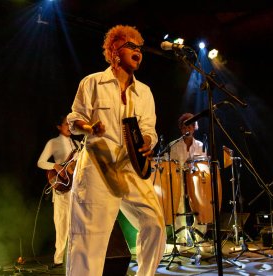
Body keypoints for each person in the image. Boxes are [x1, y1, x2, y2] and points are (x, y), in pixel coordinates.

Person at [66, 25, 166, 276]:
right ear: (114, 51)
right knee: (90, 237)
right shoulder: (92, 83)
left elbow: (149, 129)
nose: (138, 51)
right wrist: (89, 126)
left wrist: (146, 140)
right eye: (131, 46)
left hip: (131, 166)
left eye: (140, 48)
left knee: (154, 223)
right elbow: (74, 119)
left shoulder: (145, 92)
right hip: (98, 165)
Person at [37, 115, 80, 268]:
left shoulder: (78, 144)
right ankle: (58, 260)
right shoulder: (53, 142)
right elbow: (41, 162)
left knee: (76, 225)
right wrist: (55, 166)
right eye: (65, 123)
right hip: (62, 188)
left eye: (71, 123)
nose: (69, 126)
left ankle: (74, 257)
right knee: (62, 224)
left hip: (75, 188)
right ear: (59, 126)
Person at [168, 113, 207, 244]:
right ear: (181, 129)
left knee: (201, 205)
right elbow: (171, 166)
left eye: (190, 126)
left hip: (195, 182)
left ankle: (199, 236)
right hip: (179, 181)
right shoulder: (173, 145)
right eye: (185, 127)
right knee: (178, 206)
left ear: (195, 127)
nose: (187, 129)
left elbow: (203, 165)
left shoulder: (201, 145)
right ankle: (181, 238)